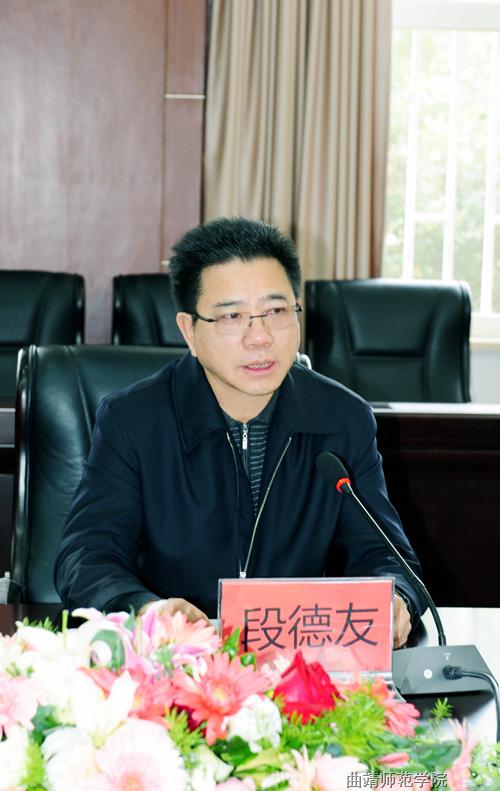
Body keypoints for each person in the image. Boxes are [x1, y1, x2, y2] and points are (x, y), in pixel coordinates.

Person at [55, 217, 427, 648]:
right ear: (189, 330)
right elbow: (86, 555)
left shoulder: (343, 419)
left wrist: (396, 598)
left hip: (296, 664)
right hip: (175, 662)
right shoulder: (133, 420)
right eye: (233, 316)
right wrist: (146, 610)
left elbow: (386, 555)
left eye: (276, 311)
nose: (260, 337)